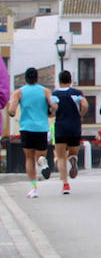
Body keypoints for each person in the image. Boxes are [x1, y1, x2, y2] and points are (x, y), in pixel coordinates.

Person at [8, 68, 54, 198]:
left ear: (25, 78)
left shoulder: (19, 92)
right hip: (42, 128)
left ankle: (34, 189)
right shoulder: (45, 91)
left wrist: (10, 112)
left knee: (29, 158)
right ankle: (43, 164)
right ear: (37, 78)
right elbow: (53, 106)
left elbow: (12, 110)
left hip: (26, 128)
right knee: (40, 157)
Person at [51, 71, 86, 194]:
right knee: (72, 152)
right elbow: (85, 105)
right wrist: (80, 115)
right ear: (71, 80)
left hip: (61, 126)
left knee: (60, 157)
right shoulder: (77, 93)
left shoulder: (55, 94)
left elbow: (53, 108)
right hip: (75, 126)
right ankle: (73, 159)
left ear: (59, 81)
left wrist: (53, 113)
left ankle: (65, 184)